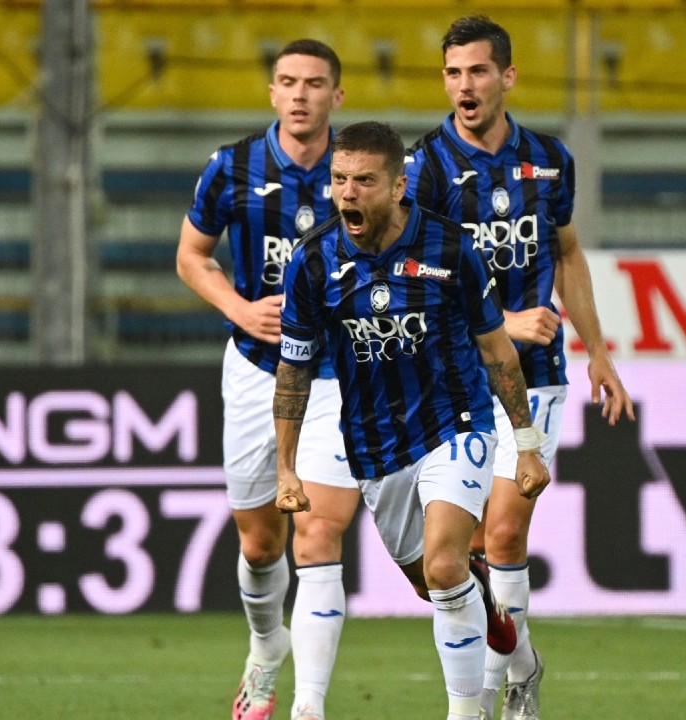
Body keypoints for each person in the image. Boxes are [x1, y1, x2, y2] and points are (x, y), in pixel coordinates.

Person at [273, 120, 552, 720]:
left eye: (364, 181)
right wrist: (286, 467)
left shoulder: (452, 249)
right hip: (376, 446)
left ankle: (465, 712)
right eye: (339, 179)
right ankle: (514, 642)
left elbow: (499, 352)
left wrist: (526, 444)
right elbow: (294, 371)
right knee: (432, 582)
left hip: (457, 423)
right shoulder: (313, 262)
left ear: (399, 186)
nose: (347, 192)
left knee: (446, 565)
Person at [404, 15, 634, 719]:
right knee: (462, 551)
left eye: (477, 71)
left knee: (503, 533)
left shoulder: (549, 159)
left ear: (507, 76)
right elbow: (416, 272)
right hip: (454, 379)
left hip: (534, 376)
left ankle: (498, 693)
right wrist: (500, 322)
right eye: (452, 73)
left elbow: (566, 254)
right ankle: (523, 661)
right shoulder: (426, 167)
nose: (464, 86)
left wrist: (599, 351)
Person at [174, 39, 362, 720]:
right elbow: (192, 257)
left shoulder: (365, 171)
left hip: (339, 376)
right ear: (273, 93)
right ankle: (264, 646)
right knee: (260, 543)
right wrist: (239, 308)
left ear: (336, 96)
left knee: (317, 533)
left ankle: (307, 706)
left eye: (316, 83)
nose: (302, 94)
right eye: (289, 82)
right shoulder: (232, 167)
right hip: (258, 371)